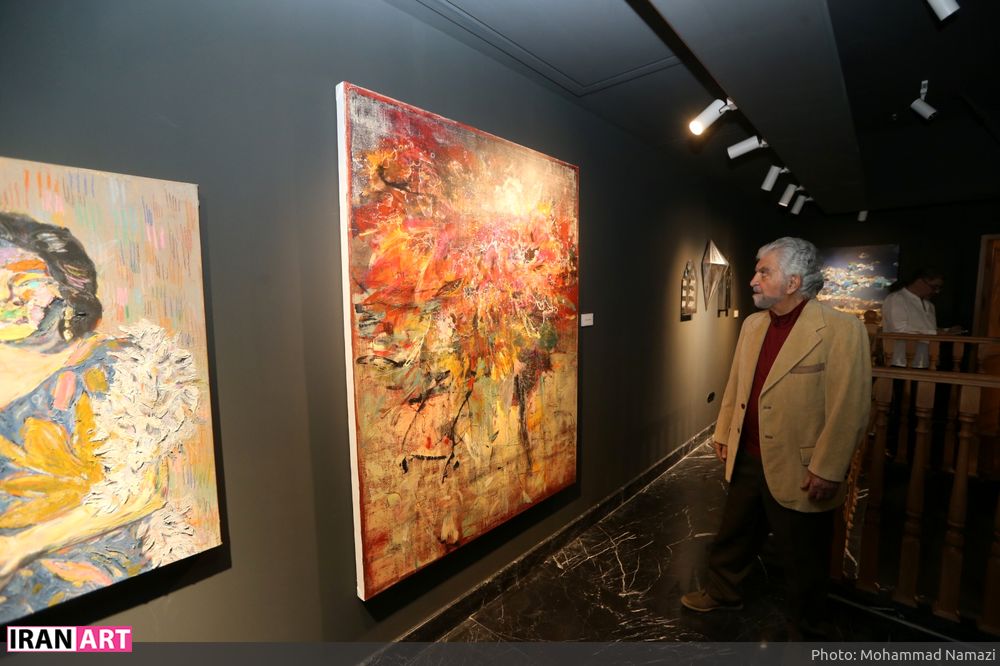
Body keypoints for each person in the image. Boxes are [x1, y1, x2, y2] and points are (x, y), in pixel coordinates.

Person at [0, 212, 201, 621]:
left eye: (26, 282)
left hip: (86, 556)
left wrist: (17, 550)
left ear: (65, 288)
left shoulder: (113, 363)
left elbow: (142, 491)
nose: (10, 298)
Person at [680, 237, 872, 640]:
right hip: (749, 454)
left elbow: (850, 407)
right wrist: (724, 432)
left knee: (804, 553)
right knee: (735, 532)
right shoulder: (753, 325)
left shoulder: (842, 330)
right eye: (757, 271)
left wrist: (828, 468)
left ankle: (808, 626)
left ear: (793, 282)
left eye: (764, 272)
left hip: (802, 465)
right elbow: (737, 384)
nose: (753, 279)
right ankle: (723, 591)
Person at [881, 268, 958, 368]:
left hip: (926, 361)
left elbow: (925, 328)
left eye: (939, 288)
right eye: (934, 287)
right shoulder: (897, 298)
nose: (937, 291)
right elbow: (898, 330)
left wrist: (946, 331)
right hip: (901, 362)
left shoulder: (929, 305)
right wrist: (935, 333)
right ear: (919, 282)